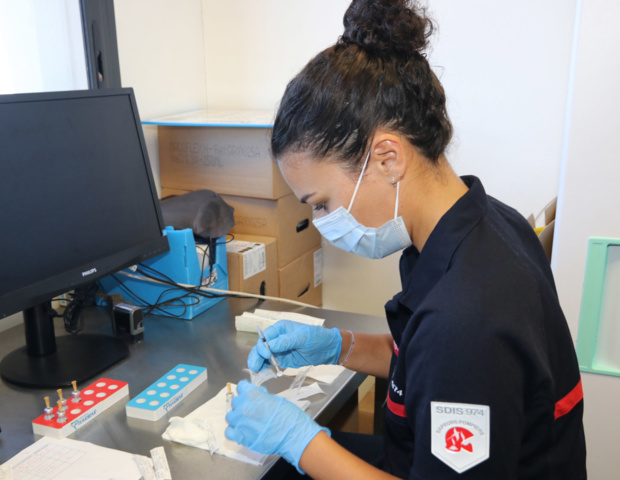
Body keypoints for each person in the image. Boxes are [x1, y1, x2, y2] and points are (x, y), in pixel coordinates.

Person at [224, 0, 586, 478]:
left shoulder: (466, 319)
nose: (320, 222)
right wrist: (339, 346)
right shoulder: (485, 223)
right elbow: (429, 366)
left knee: (282, 461)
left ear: (387, 159)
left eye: (321, 202)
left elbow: (449, 352)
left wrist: (298, 439)